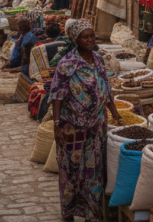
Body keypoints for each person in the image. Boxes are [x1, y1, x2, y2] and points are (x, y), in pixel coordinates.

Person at [49, 19, 123, 222]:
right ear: (76, 40)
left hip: (96, 127)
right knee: (70, 172)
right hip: (72, 127)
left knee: (93, 172)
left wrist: (115, 113)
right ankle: (69, 212)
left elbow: (106, 90)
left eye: (92, 36)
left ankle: (92, 213)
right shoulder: (67, 65)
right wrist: (56, 126)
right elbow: (56, 96)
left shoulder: (98, 59)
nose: (91, 40)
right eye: (86, 37)